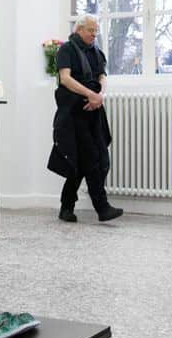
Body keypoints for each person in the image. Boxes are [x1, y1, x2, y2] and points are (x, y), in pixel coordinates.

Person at [47, 15, 123, 223]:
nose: (94, 34)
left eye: (96, 30)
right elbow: (65, 79)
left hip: (94, 110)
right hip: (74, 113)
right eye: (90, 30)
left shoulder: (96, 52)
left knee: (95, 160)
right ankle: (102, 208)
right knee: (90, 159)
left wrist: (99, 96)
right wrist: (89, 94)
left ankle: (66, 207)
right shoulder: (66, 50)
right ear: (79, 29)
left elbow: (102, 77)